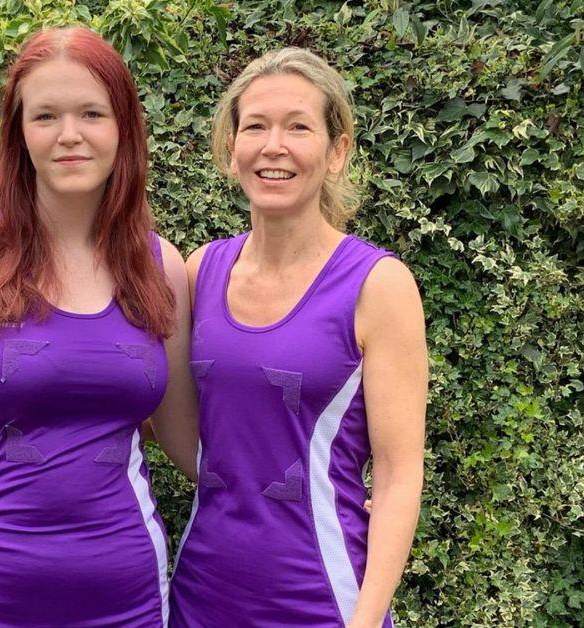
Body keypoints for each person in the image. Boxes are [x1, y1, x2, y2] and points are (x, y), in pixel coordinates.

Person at [0, 27, 197, 628]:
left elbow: (192, 445)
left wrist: (315, 491)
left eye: (91, 113)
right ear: (18, 133)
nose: (69, 135)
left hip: (128, 604)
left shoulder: (163, 268)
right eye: (45, 115)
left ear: (123, 128)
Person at [168, 48, 427, 627]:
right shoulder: (198, 271)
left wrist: (366, 619)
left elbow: (398, 475)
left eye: (298, 127)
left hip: (323, 602)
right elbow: (179, 427)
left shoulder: (378, 286)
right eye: (254, 126)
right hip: (201, 596)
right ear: (232, 148)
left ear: (337, 152)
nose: (273, 146)